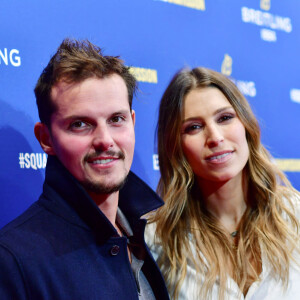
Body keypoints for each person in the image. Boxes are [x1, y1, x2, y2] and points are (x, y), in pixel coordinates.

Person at [0, 38, 169, 300]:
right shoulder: (12, 260)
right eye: (80, 124)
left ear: (132, 123)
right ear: (45, 138)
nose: (105, 140)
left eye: (116, 119)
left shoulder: (150, 236)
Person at [145, 67, 300, 300]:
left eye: (225, 118)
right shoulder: (156, 240)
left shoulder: (294, 213)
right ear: (175, 146)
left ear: (247, 126)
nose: (215, 137)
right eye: (194, 127)